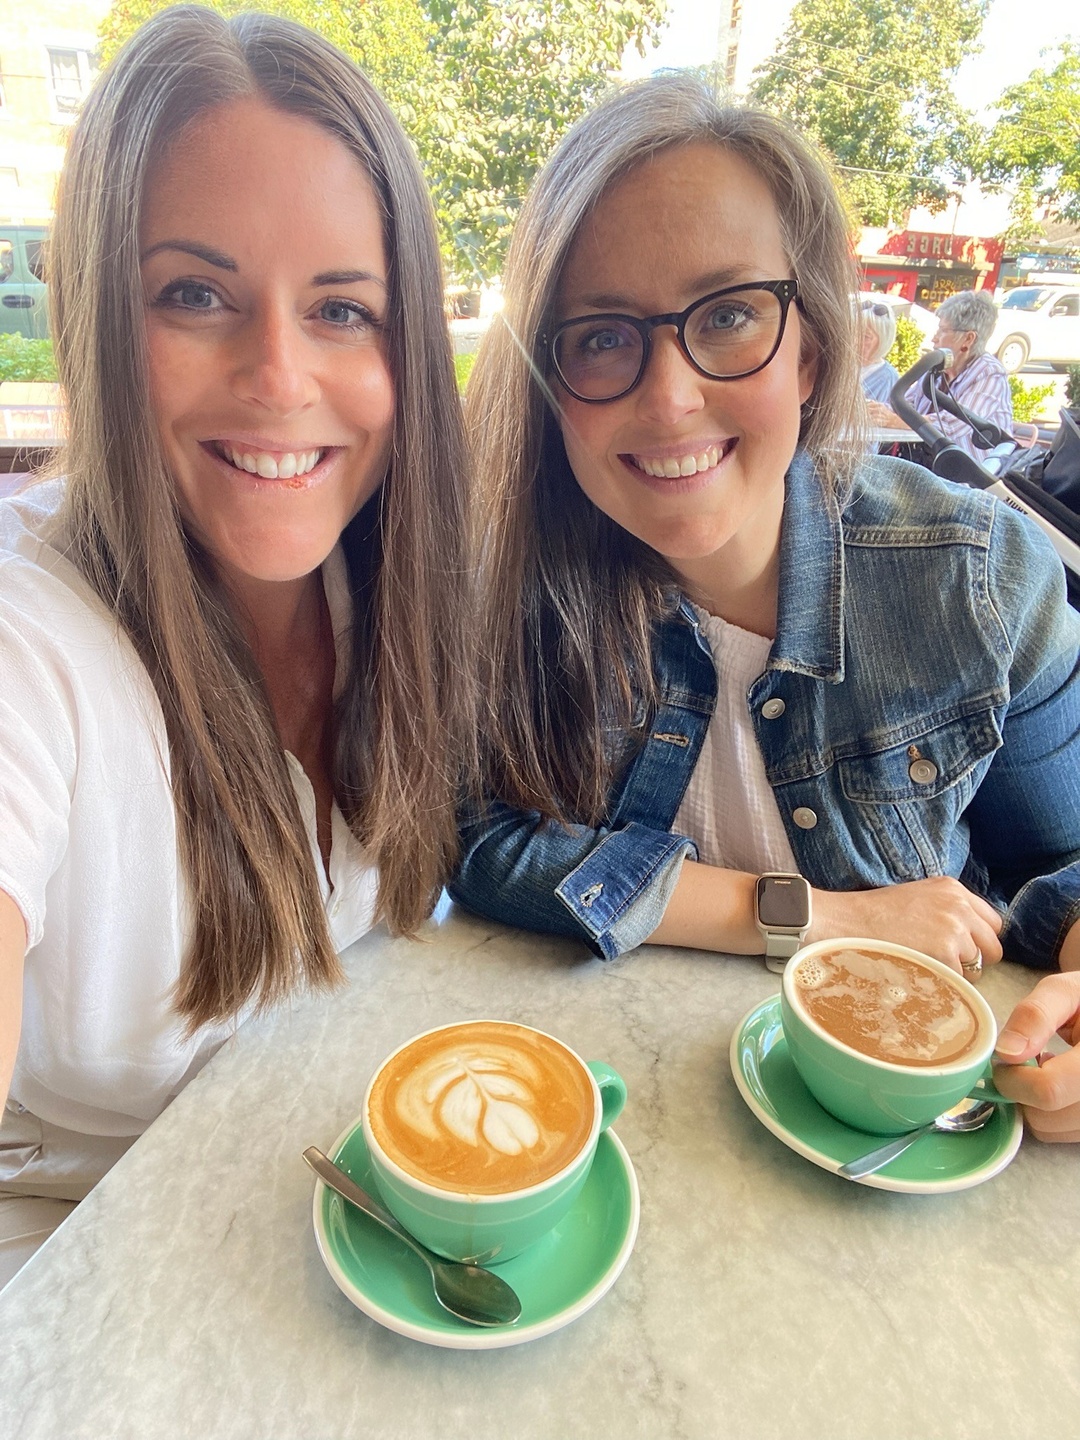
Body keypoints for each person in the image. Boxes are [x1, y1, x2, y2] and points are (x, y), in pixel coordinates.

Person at [0, 5, 473, 1284]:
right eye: (195, 294)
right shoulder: (28, 647)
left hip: (326, 1209)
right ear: (96, 312)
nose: (278, 375)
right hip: (73, 1261)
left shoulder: (396, 584)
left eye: (341, 309)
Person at [451, 76, 1080, 1036]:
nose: (671, 400)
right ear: (548, 381)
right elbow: (474, 837)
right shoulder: (505, 584)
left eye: (728, 315)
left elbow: (1062, 863)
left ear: (811, 352)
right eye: (603, 337)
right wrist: (816, 917)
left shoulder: (979, 575)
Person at [867, 289, 1013, 459]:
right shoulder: (938, 367)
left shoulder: (989, 373)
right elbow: (906, 404)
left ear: (968, 339)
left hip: (971, 472)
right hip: (929, 465)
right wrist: (872, 410)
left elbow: (955, 424)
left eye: (942, 331)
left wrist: (894, 421)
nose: (934, 338)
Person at [857, 298, 898, 405]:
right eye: (853, 333)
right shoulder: (840, 364)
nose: (855, 340)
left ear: (883, 340)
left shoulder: (887, 377)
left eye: (865, 337)